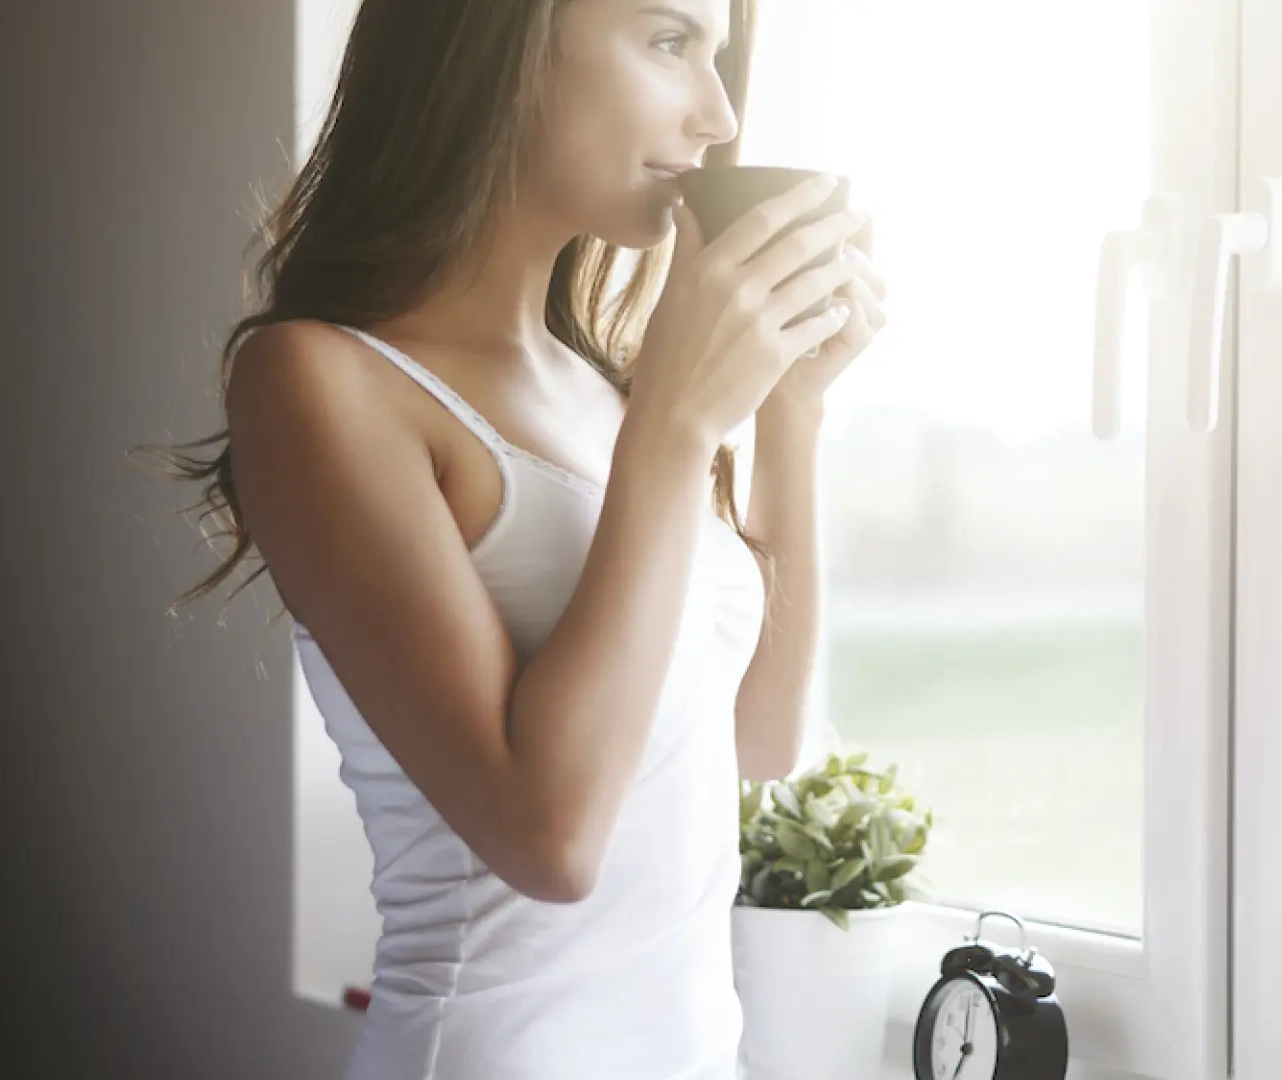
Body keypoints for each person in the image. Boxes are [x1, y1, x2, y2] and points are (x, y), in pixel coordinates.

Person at [147, 1, 884, 1076]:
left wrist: (792, 409)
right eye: (670, 43)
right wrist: (675, 429)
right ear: (498, 44)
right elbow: (551, 841)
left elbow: (753, 744)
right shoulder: (320, 381)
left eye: (719, 60)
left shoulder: (603, 391)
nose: (720, 119)